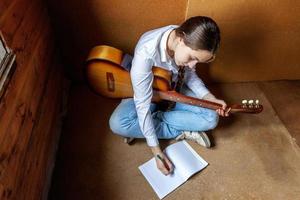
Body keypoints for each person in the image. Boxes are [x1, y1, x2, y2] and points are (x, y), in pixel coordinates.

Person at [109, 16, 230, 176]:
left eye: (198, 61)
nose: (193, 65)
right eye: (193, 58)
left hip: (171, 90)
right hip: (145, 93)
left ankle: (145, 127)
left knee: (212, 117)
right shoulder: (146, 53)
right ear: (181, 40)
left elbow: (190, 75)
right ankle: (178, 130)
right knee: (118, 124)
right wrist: (156, 151)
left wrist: (210, 98)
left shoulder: (188, 38)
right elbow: (143, 106)